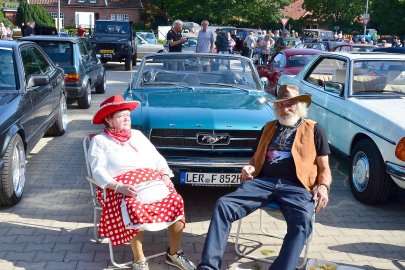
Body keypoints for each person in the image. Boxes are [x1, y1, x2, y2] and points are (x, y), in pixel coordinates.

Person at [197, 84, 332, 270]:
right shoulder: (268, 127)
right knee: (223, 205)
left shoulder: (314, 129)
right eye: (281, 104)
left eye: (290, 104)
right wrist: (249, 168)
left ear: (300, 105)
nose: (285, 109)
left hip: (297, 187)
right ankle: (208, 266)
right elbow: (255, 159)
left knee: (302, 221)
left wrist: (323, 186)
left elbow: (324, 168)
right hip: (262, 183)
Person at [88, 95, 196, 270]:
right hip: (119, 188)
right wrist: (118, 186)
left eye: (128, 115)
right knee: (132, 206)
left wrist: (165, 175)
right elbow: (97, 170)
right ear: (109, 119)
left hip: (152, 183)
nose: (126, 119)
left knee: (176, 200)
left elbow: (157, 157)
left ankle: (174, 253)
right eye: (120, 116)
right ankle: (139, 259)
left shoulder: (137, 135)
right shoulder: (100, 141)